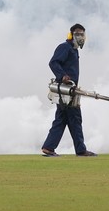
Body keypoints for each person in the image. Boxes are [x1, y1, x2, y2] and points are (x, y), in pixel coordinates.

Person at [41, 23, 96, 157]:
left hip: (71, 90)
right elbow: (53, 62)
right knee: (73, 118)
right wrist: (62, 76)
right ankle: (79, 150)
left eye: (82, 34)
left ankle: (50, 147)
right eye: (77, 33)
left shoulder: (74, 50)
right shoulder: (65, 47)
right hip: (65, 91)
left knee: (66, 119)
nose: (80, 36)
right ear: (71, 35)